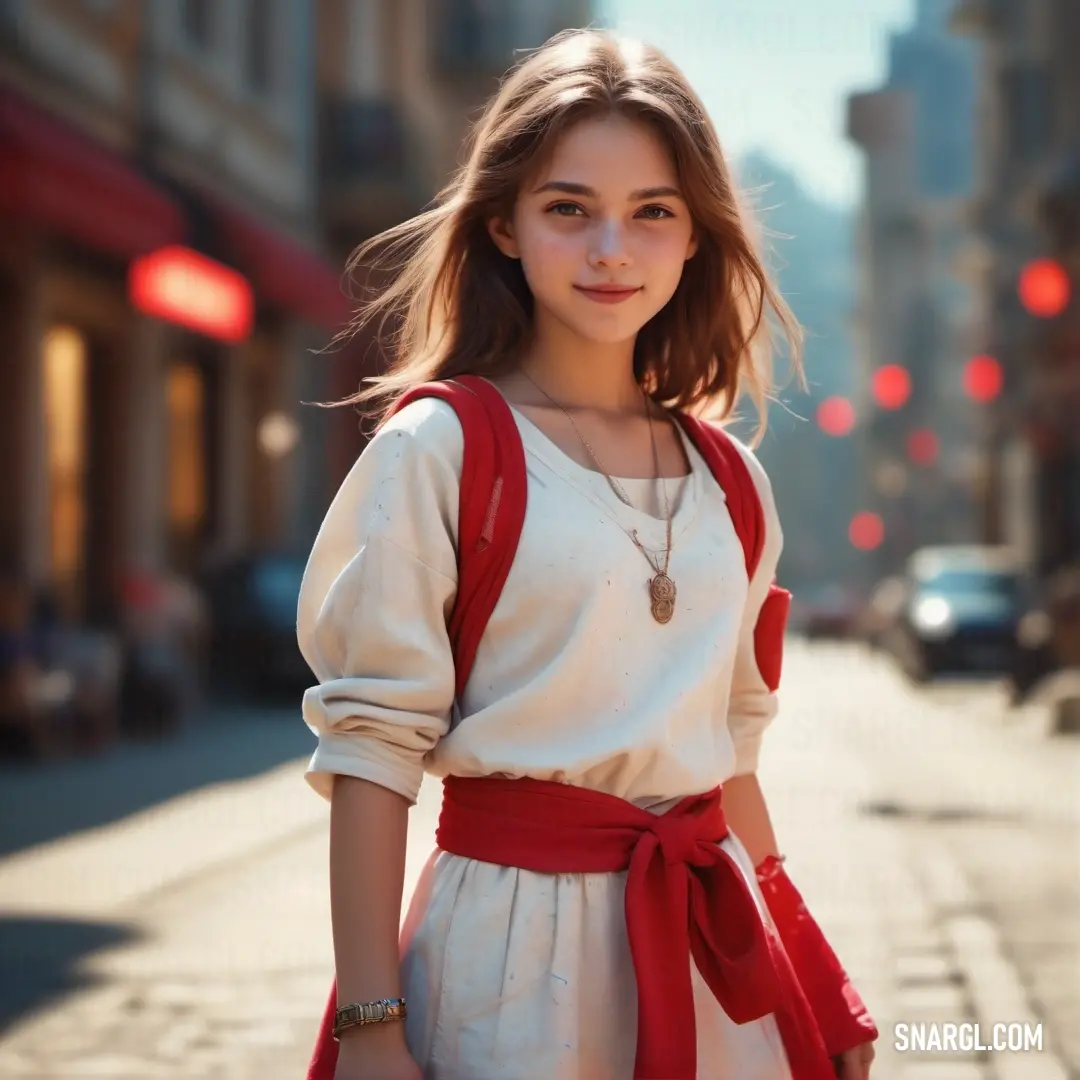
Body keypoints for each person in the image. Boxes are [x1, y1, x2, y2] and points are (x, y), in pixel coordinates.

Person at [298, 28, 878, 1080]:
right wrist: (372, 1027)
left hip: (711, 956)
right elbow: (372, 755)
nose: (612, 248)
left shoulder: (732, 482)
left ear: (697, 236)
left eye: (652, 212)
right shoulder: (442, 448)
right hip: (506, 955)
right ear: (506, 227)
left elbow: (731, 755)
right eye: (569, 208)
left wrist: (808, 966)